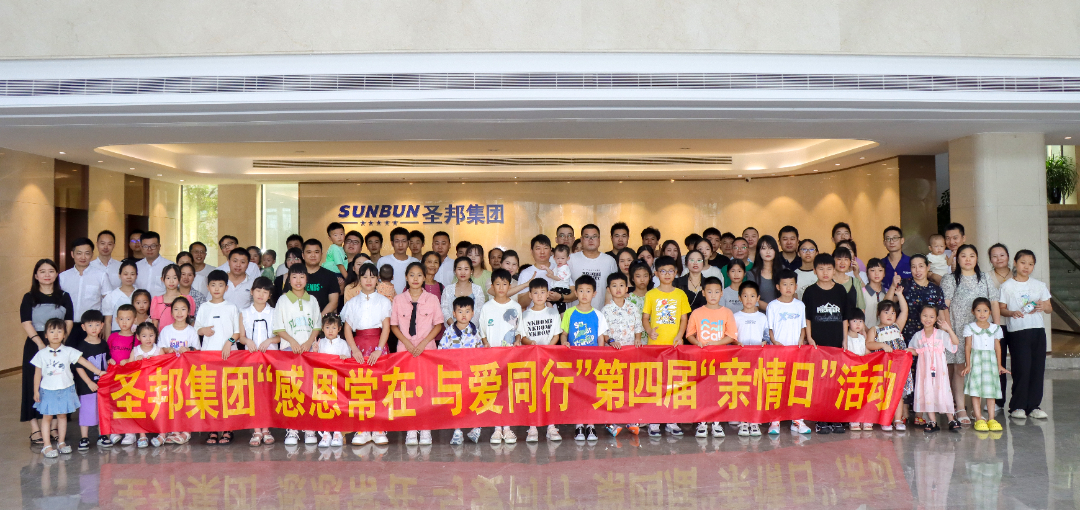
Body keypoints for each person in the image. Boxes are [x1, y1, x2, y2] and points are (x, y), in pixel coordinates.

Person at [940, 244, 1000, 425]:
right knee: (960, 368)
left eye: (972, 255)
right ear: (957, 259)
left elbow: (994, 303)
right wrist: (949, 331)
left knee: (979, 368)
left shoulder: (985, 278)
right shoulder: (950, 279)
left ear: (977, 258)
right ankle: (960, 408)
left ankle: (977, 410)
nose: (967, 259)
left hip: (982, 332)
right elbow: (944, 306)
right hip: (958, 329)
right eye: (963, 255)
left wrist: (996, 328)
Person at [32, 318, 106, 458]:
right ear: (46, 335)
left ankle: (61, 442)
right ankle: (47, 446)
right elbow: (37, 374)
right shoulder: (41, 354)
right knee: (47, 417)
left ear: (64, 334)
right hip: (48, 390)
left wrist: (98, 372)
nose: (56, 334)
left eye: (59, 331)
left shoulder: (69, 351)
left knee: (62, 416)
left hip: (66, 389)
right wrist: (36, 390)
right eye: (52, 331)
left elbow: (84, 362)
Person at [20, 259, 74, 445]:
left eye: (51, 271)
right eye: (42, 271)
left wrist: (60, 342)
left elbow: (68, 321)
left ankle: (54, 426)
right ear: (36, 275)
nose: (47, 275)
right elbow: (26, 322)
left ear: (56, 274)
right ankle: (35, 428)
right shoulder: (29, 297)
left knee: (57, 383)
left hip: (58, 345)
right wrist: (39, 342)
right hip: (35, 345)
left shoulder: (64, 296)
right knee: (33, 384)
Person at [391, 262, 444, 445]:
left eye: (419, 275)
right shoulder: (398, 300)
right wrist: (407, 343)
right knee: (407, 388)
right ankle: (411, 429)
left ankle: (426, 427)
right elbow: (394, 325)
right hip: (404, 350)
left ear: (424, 277)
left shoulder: (432, 299)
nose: (415, 279)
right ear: (406, 277)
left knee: (426, 387)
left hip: (426, 349)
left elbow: (438, 324)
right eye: (412, 275)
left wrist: (423, 343)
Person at [340, 262, 392, 445]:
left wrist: (379, 349)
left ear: (377, 279)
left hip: (378, 346)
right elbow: (347, 328)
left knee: (379, 386)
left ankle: (379, 428)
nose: (368, 280)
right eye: (364, 277)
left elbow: (386, 327)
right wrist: (354, 349)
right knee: (360, 386)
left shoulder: (384, 301)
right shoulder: (352, 303)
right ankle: (361, 428)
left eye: (372, 276)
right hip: (359, 346)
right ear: (359, 279)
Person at [997, 249, 1051, 420]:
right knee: (1021, 369)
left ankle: (1034, 406)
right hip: (1017, 331)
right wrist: (1012, 313)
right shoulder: (1007, 286)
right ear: (1015, 263)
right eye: (1023, 263)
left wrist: (1043, 306)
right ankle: (1017, 406)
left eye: (1030, 264)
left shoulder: (1039, 285)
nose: (1026, 267)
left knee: (1037, 369)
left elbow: (1049, 308)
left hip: (1038, 330)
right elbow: (1001, 309)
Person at [801, 253, 849, 434]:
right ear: (814, 271)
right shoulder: (810, 292)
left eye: (829, 269)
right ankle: (821, 418)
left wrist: (845, 339)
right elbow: (807, 318)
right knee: (820, 381)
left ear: (834, 270)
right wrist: (810, 337)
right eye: (821, 269)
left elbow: (845, 318)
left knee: (836, 381)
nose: (825, 272)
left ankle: (835, 418)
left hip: (836, 342)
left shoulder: (840, 291)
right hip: (818, 344)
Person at [559, 275, 611, 441]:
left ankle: (591, 424)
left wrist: (600, 357)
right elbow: (564, 334)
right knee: (577, 393)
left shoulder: (598, 314)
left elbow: (601, 338)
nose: (584, 294)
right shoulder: (569, 313)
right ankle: (579, 425)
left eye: (588, 291)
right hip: (574, 361)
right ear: (575, 292)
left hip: (592, 362)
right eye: (581, 291)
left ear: (594, 293)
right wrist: (564, 343)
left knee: (591, 393)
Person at [686, 276, 737, 438]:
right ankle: (702, 421)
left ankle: (716, 422)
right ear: (703, 293)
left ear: (722, 293)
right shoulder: (697, 313)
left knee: (718, 390)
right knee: (702, 390)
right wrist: (697, 343)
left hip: (721, 358)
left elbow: (732, 336)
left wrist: (716, 343)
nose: (713, 295)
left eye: (716, 292)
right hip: (702, 359)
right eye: (709, 292)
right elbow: (689, 334)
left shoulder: (727, 312)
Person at [196, 270, 242, 445]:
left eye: (220, 285)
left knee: (228, 392)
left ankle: (228, 428)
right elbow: (197, 328)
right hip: (209, 356)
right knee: (212, 392)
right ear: (208, 287)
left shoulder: (231, 307)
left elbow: (237, 332)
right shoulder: (204, 307)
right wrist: (202, 330)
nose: (216, 288)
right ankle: (213, 429)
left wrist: (229, 342)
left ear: (226, 288)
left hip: (229, 356)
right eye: (213, 285)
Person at [476, 269, 522, 444]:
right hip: (492, 357)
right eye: (497, 284)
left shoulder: (516, 307)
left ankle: (507, 428)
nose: (501, 287)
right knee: (495, 390)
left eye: (504, 284)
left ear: (510, 286)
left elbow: (519, 330)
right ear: (492, 286)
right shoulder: (487, 307)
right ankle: (496, 428)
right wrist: (485, 343)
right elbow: (482, 331)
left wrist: (517, 340)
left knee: (509, 391)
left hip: (511, 357)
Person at [765, 269, 811, 435]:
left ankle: (797, 420)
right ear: (778, 287)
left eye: (791, 284)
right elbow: (769, 328)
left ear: (796, 286)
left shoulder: (800, 305)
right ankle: (775, 420)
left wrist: (801, 340)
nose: (788, 287)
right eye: (785, 284)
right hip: (777, 353)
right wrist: (774, 341)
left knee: (796, 386)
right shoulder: (772, 306)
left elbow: (803, 326)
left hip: (796, 352)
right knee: (777, 385)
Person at [907, 304, 962, 432]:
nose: (928, 319)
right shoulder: (918, 336)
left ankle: (951, 419)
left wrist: (948, 329)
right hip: (924, 371)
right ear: (920, 316)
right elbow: (914, 350)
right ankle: (932, 421)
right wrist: (907, 351)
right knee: (927, 392)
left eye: (931, 316)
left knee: (943, 391)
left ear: (936, 318)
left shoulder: (941, 334)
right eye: (925, 315)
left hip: (940, 371)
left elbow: (955, 343)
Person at [442, 296, 487, 444]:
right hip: (455, 375)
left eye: (467, 311)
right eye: (460, 311)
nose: (463, 315)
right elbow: (441, 351)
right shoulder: (449, 332)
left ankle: (476, 428)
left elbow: (481, 353)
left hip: (472, 375)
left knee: (474, 400)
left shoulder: (475, 332)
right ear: (454, 313)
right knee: (457, 402)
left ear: (473, 313)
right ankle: (457, 431)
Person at [866, 297, 912, 431]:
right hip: (884, 368)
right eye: (886, 312)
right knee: (884, 393)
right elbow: (869, 344)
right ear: (878, 314)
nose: (890, 315)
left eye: (893, 313)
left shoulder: (897, 326)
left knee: (898, 393)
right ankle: (885, 420)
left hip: (899, 367)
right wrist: (881, 345)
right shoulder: (874, 329)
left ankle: (897, 420)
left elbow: (905, 311)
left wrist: (900, 295)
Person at [961, 298, 1008, 431]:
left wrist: (999, 365)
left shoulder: (995, 328)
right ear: (973, 311)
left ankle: (991, 419)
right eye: (979, 310)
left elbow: (998, 347)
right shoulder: (970, 327)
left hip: (990, 361)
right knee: (976, 390)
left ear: (990, 312)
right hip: (976, 360)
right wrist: (968, 364)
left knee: (990, 390)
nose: (982, 314)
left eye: (985, 311)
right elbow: (967, 346)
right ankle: (978, 418)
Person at [71, 310, 113, 450]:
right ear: (83, 327)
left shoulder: (103, 344)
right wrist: (88, 382)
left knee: (102, 411)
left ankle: (103, 436)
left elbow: (107, 358)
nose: (94, 328)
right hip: (87, 386)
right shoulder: (81, 346)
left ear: (102, 325)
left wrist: (111, 361)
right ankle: (84, 437)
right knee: (87, 411)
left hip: (103, 385)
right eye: (90, 325)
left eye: (97, 324)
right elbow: (79, 367)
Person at [122, 323, 166, 447]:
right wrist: (135, 362)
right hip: (140, 387)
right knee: (141, 410)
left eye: (151, 335)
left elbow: (166, 367)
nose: (148, 339)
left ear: (156, 336)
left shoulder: (159, 350)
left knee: (159, 410)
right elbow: (129, 368)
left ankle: (162, 435)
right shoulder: (136, 351)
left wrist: (155, 361)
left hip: (156, 387)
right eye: (144, 336)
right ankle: (142, 436)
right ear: (138, 337)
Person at [60, 237, 108, 348]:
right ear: (72, 254)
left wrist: (104, 325)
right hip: (68, 326)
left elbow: (107, 302)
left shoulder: (101, 275)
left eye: (87, 253)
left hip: (91, 327)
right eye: (79, 253)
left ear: (92, 255)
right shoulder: (63, 277)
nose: (83, 257)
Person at [315, 313, 351, 448]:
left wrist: (344, 358)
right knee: (325, 405)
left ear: (339, 329)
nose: (330, 331)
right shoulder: (320, 343)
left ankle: (337, 432)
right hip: (324, 380)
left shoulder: (343, 344)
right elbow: (314, 361)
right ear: (322, 328)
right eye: (327, 327)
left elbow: (348, 360)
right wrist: (315, 351)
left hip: (338, 381)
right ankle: (326, 433)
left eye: (334, 328)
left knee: (337, 406)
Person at [986, 243, 1012, 410]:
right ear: (990, 260)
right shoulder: (986, 277)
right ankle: (997, 400)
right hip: (996, 325)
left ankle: (1018, 402)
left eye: (1002, 255)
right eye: (994, 256)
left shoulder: (1017, 274)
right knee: (997, 362)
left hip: (1017, 325)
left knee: (1019, 364)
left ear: (1008, 256)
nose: (999, 259)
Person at [643, 256, 690, 349]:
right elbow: (645, 318)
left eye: (671, 271)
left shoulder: (681, 294)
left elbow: (684, 319)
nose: (667, 274)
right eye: (663, 271)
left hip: (675, 342)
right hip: (655, 343)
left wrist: (680, 336)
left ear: (675, 273)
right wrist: (649, 331)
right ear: (656, 274)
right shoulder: (650, 294)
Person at [844, 308, 874, 432]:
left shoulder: (862, 338)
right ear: (847, 323)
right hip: (850, 373)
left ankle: (865, 418)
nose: (858, 324)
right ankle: (854, 419)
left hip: (862, 372)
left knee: (864, 395)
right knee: (852, 396)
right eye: (854, 321)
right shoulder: (845, 338)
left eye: (861, 321)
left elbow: (867, 352)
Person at [441, 256, 485, 328]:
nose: (463, 272)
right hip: (453, 330)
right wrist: (455, 327)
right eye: (459, 269)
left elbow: (479, 311)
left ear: (471, 271)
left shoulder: (478, 289)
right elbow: (444, 310)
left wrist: (467, 328)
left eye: (466, 269)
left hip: (472, 330)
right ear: (455, 271)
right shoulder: (448, 290)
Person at [300, 239, 341, 316]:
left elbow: (334, 302)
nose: (313, 255)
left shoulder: (330, 275)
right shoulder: (295, 276)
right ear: (303, 255)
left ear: (321, 255)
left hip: (323, 320)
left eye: (316, 252)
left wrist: (319, 319)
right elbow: (287, 298)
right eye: (309, 252)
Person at [149, 265, 195, 330]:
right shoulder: (157, 300)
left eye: (175, 278)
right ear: (162, 279)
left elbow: (191, 321)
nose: (171, 281)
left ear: (179, 279)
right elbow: (154, 324)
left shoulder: (187, 299)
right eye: (168, 278)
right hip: (162, 335)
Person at [515, 234, 554, 308]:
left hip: (558, 314)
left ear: (550, 250)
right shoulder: (525, 273)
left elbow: (573, 294)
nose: (542, 252)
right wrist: (533, 287)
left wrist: (561, 297)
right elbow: (521, 304)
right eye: (538, 248)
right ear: (531, 251)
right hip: (534, 315)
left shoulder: (559, 268)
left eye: (545, 248)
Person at [378, 227, 420, 293]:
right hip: (387, 298)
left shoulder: (415, 262)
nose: (400, 245)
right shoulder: (383, 261)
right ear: (392, 243)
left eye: (404, 241)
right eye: (397, 241)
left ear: (408, 243)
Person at [102, 259, 138, 332]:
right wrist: (108, 339)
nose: (129, 277)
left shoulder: (140, 294)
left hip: (137, 333)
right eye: (125, 274)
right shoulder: (111, 296)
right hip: (117, 333)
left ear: (136, 276)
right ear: (119, 275)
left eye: (132, 274)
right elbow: (108, 322)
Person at [135, 231, 173, 297]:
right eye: (145, 246)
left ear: (159, 246)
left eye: (153, 246)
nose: (149, 249)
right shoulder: (136, 266)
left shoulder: (170, 266)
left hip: (162, 303)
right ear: (141, 247)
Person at [752, 235, 783, 312]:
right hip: (761, 316)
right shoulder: (752, 274)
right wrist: (773, 310)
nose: (768, 252)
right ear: (759, 251)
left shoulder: (784, 271)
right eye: (764, 248)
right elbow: (752, 298)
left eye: (771, 248)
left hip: (783, 314)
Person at [832, 247, 865, 315]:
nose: (842, 263)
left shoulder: (855, 282)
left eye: (846, 259)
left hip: (852, 320)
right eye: (839, 259)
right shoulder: (827, 281)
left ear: (850, 262)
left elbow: (861, 308)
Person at [861, 258, 889, 329]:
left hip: (883, 333)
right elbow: (858, 317)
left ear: (884, 273)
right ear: (867, 273)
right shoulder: (862, 292)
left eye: (880, 270)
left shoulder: (887, 293)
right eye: (872, 270)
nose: (876, 273)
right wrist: (868, 332)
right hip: (865, 332)